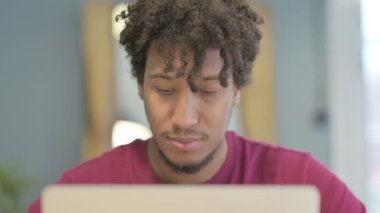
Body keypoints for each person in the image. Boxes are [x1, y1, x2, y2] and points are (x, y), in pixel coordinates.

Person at [29, 0, 366, 212]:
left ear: (237, 90)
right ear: (140, 87)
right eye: (164, 89)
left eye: (207, 91)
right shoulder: (83, 195)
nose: (184, 118)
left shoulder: (302, 184)